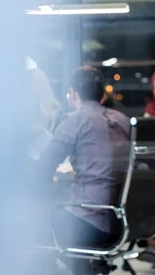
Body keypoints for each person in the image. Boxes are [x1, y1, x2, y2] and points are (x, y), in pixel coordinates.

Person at [37, 66, 130, 274]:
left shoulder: (75, 120)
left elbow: (43, 167)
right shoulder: (122, 121)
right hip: (119, 223)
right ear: (102, 95)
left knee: (32, 221)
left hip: (87, 225)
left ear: (72, 93)